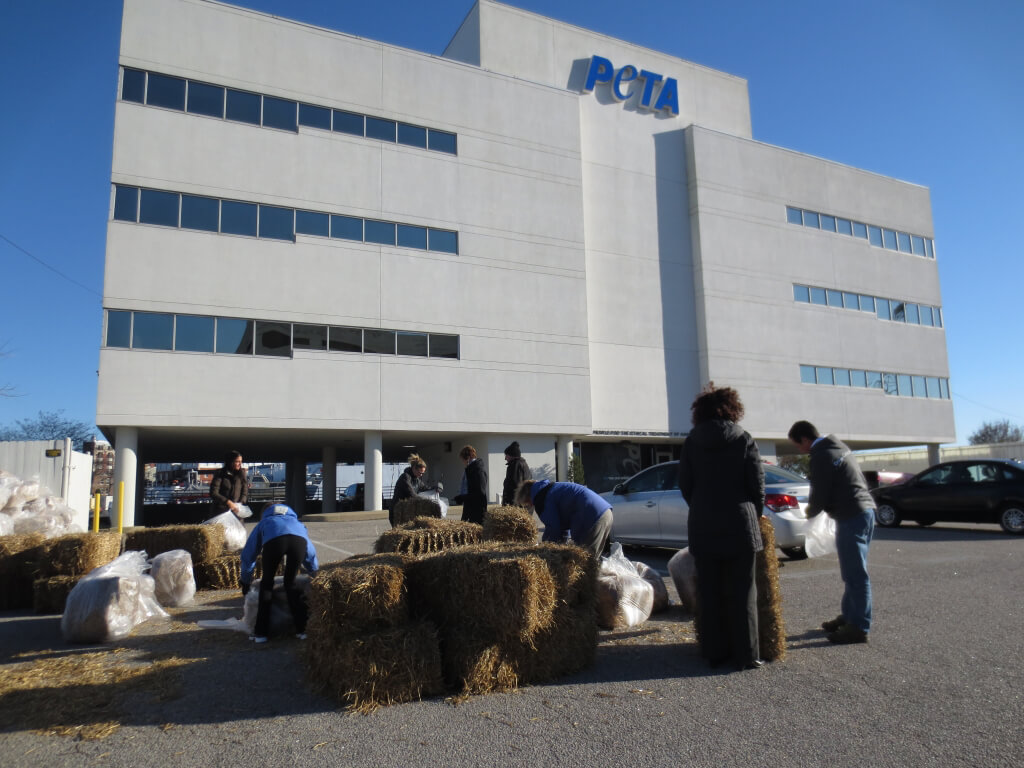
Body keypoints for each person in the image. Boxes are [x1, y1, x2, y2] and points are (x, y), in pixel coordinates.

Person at [678, 383, 765, 671]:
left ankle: (715, 653)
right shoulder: (743, 438)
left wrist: (701, 507)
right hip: (740, 522)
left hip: (703, 523)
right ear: (733, 408)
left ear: (699, 412)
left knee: (710, 591)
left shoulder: (692, 442)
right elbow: (757, 485)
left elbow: (685, 485)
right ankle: (748, 654)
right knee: (743, 593)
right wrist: (754, 513)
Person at [788, 419, 875, 644]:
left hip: (851, 514)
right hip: (866, 510)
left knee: (855, 574)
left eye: (799, 446)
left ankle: (858, 627)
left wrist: (810, 512)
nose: (800, 450)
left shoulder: (822, 456)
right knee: (853, 571)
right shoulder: (839, 448)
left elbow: (820, 490)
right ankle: (849, 616)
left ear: (805, 439)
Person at [239, 502, 319, 644]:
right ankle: (302, 630)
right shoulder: (297, 523)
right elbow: (310, 552)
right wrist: (315, 574)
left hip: (274, 542)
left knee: (267, 583)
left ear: (265, 512)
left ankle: (261, 634)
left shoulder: (265, 522)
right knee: (291, 583)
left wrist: (245, 580)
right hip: (298, 541)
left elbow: (249, 554)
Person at [515, 478, 613, 559]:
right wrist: (562, 547)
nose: (530, 505)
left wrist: (545, 549)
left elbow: (554, 529)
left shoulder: (542, 499)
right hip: (605, 512)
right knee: (592, 560)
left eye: (528, 503)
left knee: (585, 562)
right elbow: (562, 528)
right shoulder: (551, 489)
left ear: (528, 497)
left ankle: (594, 582)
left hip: (592, 517)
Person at [389, 453, 430, 527]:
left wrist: (436, 488)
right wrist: (424, 502)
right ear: (414, 468)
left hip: (407, 512)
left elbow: (425, 488)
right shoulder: (405, 477)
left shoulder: (417, 480)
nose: (421, 475)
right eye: (420, 472)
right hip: (398, 512)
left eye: (423, 473)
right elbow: (411, 493)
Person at [209, 450, 248, 519]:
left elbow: (245, 491)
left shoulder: (242, 473)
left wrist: (240, 503)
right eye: (237, 461)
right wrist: (228, 502)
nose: (240, 464)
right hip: (221, 513)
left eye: (241, 461)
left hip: (237, 512)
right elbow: (213, 493)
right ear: (230, 462)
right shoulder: (220, 473)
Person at [455, 445, 489, 524]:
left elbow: (480, 491)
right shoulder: (471, 469)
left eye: (463, 459)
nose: (462, 462)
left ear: (468, 458)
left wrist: (463, 497)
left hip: (477, 509)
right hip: (470, 506)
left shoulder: (477, 470)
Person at [501, 441, 532, 506]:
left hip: (518, 505)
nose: (505, 458)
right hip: (523, 503)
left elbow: (515, 485)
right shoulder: (522, 464)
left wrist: (509, 503)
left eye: (506, 455)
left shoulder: (516, 465)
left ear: (512, 455)